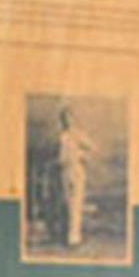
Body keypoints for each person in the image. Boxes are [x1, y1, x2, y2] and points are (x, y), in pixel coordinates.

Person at [52, 104, 98, 247]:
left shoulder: (78, 134)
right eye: (64, 118)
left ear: (73, 119)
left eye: (69, 117)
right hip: (64, 171)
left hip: (76, 170)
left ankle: (74, 239)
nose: (67, 121)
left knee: (76, 204)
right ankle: (67, 237)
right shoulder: (61, 136)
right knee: (67, 203)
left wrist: (81, 155)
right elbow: (59, 155)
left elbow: (94, 148)